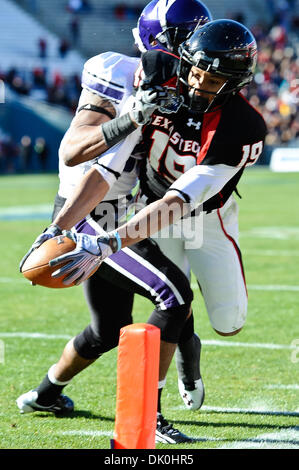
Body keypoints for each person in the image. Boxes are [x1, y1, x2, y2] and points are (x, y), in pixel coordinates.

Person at [17, 0, 212, 445]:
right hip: (86, 215)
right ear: (161, 42)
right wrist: (133, 115)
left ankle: (46, 393)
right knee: (174, 292)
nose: (197, 51)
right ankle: (150, 414)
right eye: (190, 39)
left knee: (108, 331)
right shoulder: (117, 73)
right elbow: (76, 152)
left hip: (124, 212)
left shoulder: (183, 87)